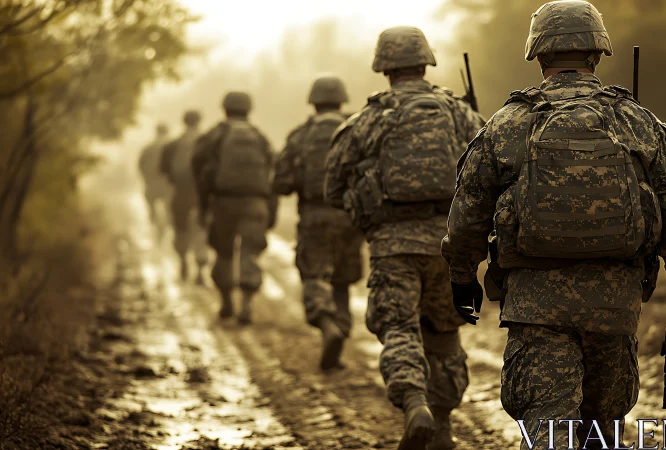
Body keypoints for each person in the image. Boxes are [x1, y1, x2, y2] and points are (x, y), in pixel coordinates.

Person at [441, 1, 666, 448]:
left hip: (535, 306)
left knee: (548, 428)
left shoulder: (510, 123)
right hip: (615, 305)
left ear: (538, 54)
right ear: (597, 53)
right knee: (603, 430)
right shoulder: (637, 121)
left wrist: (461, 277)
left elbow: (468, 213)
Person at [325, 26, 485, 450]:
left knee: (399, 327)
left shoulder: (372, 117)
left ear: (384, 67)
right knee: (445, 333)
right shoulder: (458, 113)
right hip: (450, 245)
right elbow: (490, 170)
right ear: (426, 61)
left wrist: (367, 215)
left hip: (393, 246)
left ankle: (415, 404)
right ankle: (446, 424)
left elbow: (333, 185)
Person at [273, 75, 364, 371]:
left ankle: (327, 326)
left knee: (314, 275)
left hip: (314, 216)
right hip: (349, 216)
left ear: (312, 103)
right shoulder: (357, 130)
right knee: (342, 281)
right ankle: (338, 338)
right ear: (341, 100)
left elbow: (281, 183)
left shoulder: (300, 136)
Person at [192, 92, 277, 324]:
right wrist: (271, 211)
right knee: (250, 254)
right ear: (249, 110)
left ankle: (227, 301)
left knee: (224, 253)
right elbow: (273, 175)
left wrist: (203, 206)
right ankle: (247, 304)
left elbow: (199, 170)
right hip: (255, 202)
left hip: (223, 202)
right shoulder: (260, 137)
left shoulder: (214, 135)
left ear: (225, 109)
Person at [160, 111, 209, 284]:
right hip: (201, 195)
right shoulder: (208, 143)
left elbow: (164, 171)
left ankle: (182, 261)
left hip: (180, 193)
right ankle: (201, 270)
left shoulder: (173, 145)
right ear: (199, 121)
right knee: (201, 231)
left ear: (184, 122)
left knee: (181, 230)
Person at [138, 123, 172, 241]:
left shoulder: (148, 148)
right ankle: (168, 228)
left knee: (151, 205)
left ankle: (153, 224)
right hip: (168, 184)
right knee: (169, 207)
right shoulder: (171, 146)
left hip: (152, 184)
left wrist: (146, 179)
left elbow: (140, 165)